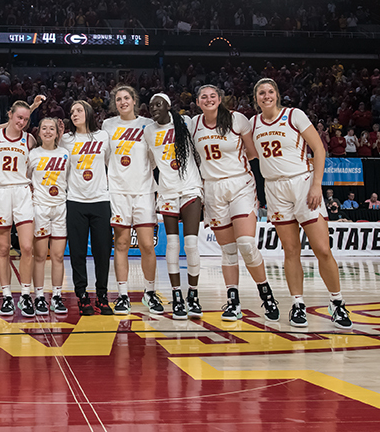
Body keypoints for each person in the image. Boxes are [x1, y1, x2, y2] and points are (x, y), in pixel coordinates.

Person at [252, 77, 352, 329]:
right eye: (261, 93)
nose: (266, 96)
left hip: (302, 184)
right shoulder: (253, 124)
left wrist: (317, 184)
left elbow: (319, 149)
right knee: (290, 250)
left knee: (322, 249)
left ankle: (337, 302)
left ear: (277, 95)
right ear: (256, 99)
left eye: (270, 91)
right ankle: (298, 303)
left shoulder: (293, 115)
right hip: (274, 188)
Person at [193, 85, 280, 322]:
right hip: (212, 188)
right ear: (198, 102)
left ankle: (266, 293)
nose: (209, 99)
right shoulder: (194, 125)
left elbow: (253, 154)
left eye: (213, 96)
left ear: (220, 99)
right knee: (228, 250)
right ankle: (233, 301)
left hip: (239, 183)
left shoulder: (237, 119)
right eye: (204, 97)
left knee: (246, 244)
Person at [101, 85, 160, 316]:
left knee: (147, 245)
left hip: (144, 190)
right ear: (114, 103)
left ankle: (150, 292)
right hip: (118, 192)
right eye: (118, 99)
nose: (123, 102)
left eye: (126, 98)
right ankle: (123, 294)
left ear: (134, 100)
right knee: (122, 244)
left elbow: (154, 158)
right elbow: (106, 158)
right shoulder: (108, 125)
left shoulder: (148, 125)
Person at [144, 94, 204, 319]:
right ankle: (177, 295)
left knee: (190, 244)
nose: (154, 108)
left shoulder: (186, 123)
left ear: (168, 106)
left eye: (158, 104)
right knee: (172, 243)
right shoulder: (148, 131)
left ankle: (194, 295)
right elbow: (149, 162)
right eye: (150, 106)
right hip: (167, 191)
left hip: (190, 188)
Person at [59, 100, 112, 316]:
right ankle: (81, 295)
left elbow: (109, 162)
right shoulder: (66, 140)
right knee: (78, 253)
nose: (74, 114)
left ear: (89, 112)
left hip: (100, 200)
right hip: (75, 201)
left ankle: (102, 295)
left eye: (79, 110)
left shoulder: (103, 137)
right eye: (72, 112)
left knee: (102, 252)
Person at [0, 100, 38, 317]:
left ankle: (25, 294)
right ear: (9, 114)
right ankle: (7, 295)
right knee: (3, 249)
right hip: (0, 191)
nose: (22, 122)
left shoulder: (30, 140)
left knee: (27, 247)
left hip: (22, 191)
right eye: (19, 117)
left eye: (26, 119)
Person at [28, 117, 70, 315]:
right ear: (39, 132)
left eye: (51, 128)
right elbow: (26, 179)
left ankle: (57, 296)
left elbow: (70, 179)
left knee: (58, 256)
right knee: (40, 256)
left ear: (57, 132)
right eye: (43, 128)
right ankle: (39, 297)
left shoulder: (65, 154)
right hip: (40, 208)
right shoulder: (33, 154)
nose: (47, 131)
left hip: (60, 208)